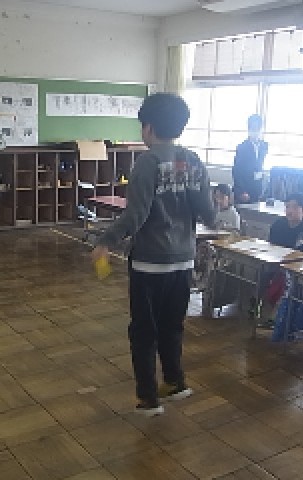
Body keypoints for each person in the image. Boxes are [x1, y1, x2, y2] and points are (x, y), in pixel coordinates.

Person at [91, 93, 215, 417]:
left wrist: (106, 240)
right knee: (172, 324)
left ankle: (148, 398)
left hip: (150, 263)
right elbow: (208, 212)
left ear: (148, 127)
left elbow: (136, 215)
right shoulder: (193, 160)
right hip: (183, 260)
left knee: (144, 331)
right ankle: (175, 381)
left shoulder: (147, 162)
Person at [261, 193, 303, 323]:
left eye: (294, 207)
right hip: (277, 263)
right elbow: (271, 246)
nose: (289, 211)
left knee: (287, 282)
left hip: (299, 267)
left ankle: (280, 316)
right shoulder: (279, 224)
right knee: (262, 273)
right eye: (287, 206)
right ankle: (263, 309)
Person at [232, 114, 268, 204]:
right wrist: (241, 191)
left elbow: (259, 165)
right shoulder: (242, 147)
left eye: (257, 128)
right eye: (253, 128)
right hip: (244, 188)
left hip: (257, 187)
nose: (255, 131)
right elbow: (236, 171)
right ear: (249, 129)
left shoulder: (264, 146)